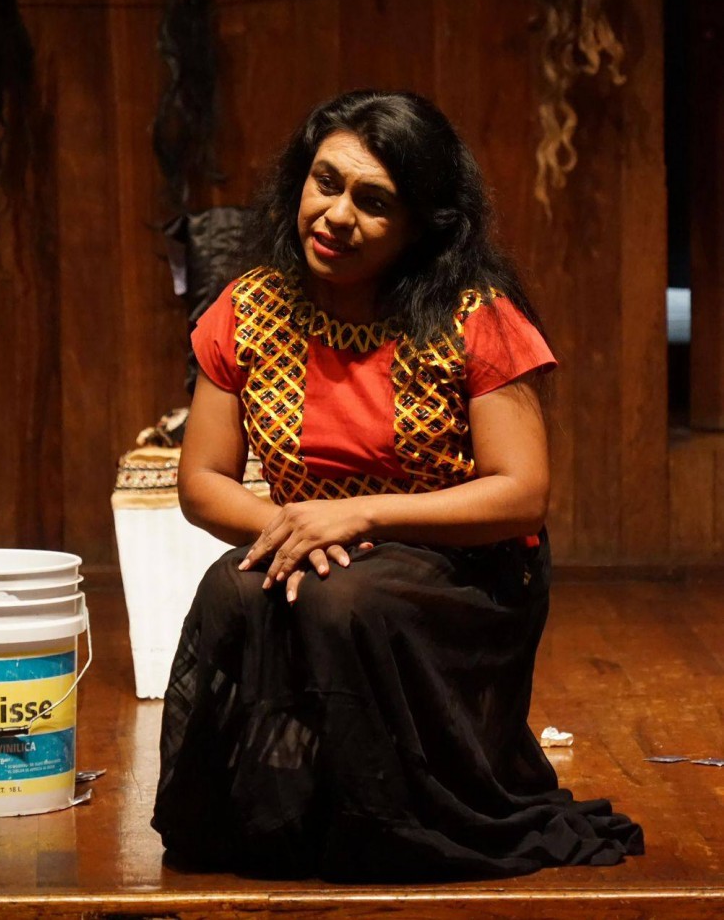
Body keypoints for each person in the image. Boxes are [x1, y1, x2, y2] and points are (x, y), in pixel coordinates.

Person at [152, 89, 643, 881]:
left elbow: (521, 492)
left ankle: (394, 820)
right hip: (315, 547)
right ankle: (260, 820)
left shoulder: (475, 316)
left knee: (343, 597)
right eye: (325, 182)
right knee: (232, 586)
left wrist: (354, 517)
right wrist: (295, 529)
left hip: (461, 565)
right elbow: (202, 482)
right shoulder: (248, 309)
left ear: (422, 224)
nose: (336, 215)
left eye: (373, 202)